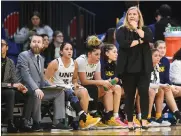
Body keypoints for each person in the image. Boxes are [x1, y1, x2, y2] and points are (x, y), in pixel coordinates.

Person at [16, 34, 72, 131]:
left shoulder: (41, 59)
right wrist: (36, 88)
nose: (36, 44)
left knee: (60, 91)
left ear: (42, 45)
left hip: (38, 89)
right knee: (37, 93)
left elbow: (42, 78)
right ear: (30, 44)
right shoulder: (23, 55)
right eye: (34, 42)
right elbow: (26, 76)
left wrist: (53, 86)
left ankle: (57, 122)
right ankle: (36, 123)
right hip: (24, 89)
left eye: (38, 42)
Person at [45, 42, 101, 129]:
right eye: (66, 49)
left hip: (69, 87)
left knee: (84, 91)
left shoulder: (74, 63)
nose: (69, 51)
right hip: (58, 89)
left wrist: (75, 84)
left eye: (71, 49)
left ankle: (83, 121)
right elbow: (46, 79)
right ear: (61, 52)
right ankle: (83, 116)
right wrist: (53, 86)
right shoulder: (55, 63)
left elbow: (74, 79)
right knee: (69, 91)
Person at [76, 35, 126, 129]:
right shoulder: (81, 60)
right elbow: (83, 81)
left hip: (92, 88)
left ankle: (110, 117)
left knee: (112, 88)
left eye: (99, 54)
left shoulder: (97, 62)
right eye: (96, 54)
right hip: (80, 88)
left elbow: (98, 79)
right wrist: (103, 83)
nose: (99, 57)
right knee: (104, 88)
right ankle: (86, 119)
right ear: (89, 54)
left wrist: (107, 82)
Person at [116, 6, 153, 130]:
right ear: (127, 16)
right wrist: (140, 41)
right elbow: (125, 44)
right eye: (129, 14)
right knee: (129, 96)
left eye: (134, 14)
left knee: (144, 94)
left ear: (139, 16)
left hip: (144, 68)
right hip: (128, 69)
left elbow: (148, 38)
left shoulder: (145, 29)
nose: (132, 16)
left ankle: (144, 120)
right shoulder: (121, 30)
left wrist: (137, 29)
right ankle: (130, 122)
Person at [1, 39, 33, 133]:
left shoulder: (10, 62)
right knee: (10, 92)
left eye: (2, 45)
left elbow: (14, 79)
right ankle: (9, 123)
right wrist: (12, 85)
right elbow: (11, 83)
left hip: (8, 89)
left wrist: (20, 86)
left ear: (7, 47)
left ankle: (24, 122)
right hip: (4, 91)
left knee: (29, 92)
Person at [154, 40, 181, 124]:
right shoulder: (152, 60)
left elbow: (167, 79)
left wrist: (172, 86)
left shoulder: (165, 61)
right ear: (155, 49)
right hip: (155, 86)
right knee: (166, 89)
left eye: (164, 48)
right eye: (160, 48)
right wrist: (169, 86)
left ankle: (177, 114)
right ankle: (177, 114)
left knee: (177, 89)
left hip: (164, 85)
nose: (163, 50)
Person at [100, 43, 126, 125]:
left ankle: (115, 115)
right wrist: (112, 81)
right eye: (114, 52)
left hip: (111, 87)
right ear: (107, 53)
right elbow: (103, 80)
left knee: (118, 87)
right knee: (111, 90)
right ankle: (109, 116)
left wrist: (112, 82)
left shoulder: (115, 64)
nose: (116, 54)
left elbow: (117, 80)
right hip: (101, 88)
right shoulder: (101, 63)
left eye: (117, 52)